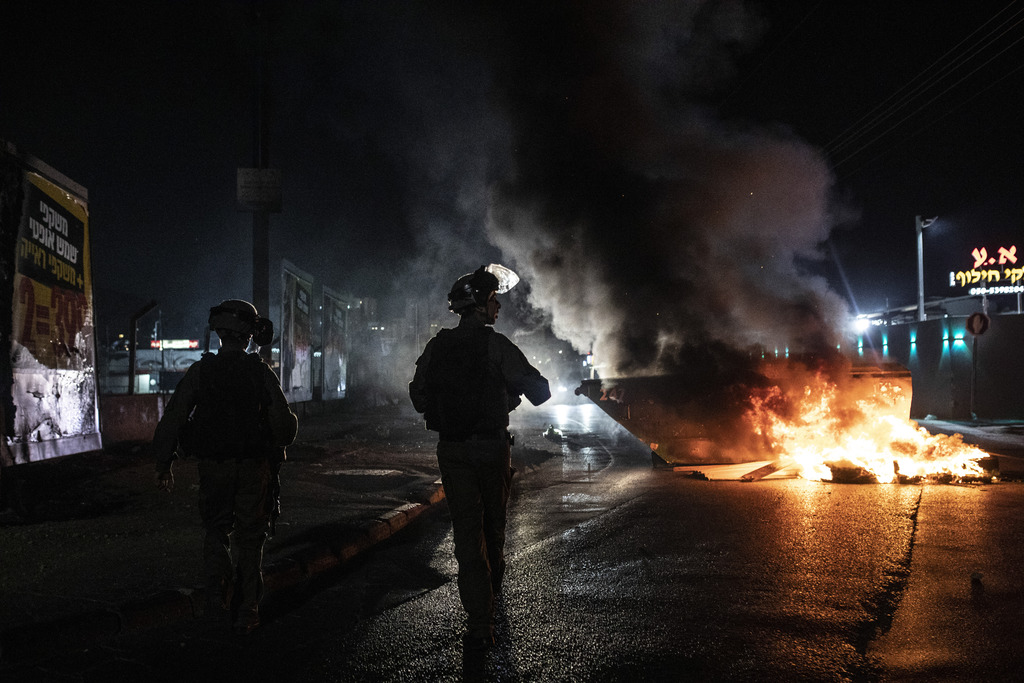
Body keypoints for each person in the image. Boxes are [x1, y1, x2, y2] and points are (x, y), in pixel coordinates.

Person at [409, 264, 551, 650]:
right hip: (491, 448)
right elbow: (540, 390)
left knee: (467, 535)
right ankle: (492, 601)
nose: (499, 307)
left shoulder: (437, 346)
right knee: (493, 528)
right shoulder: (495, 345)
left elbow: (419, 397)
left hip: (452, 450)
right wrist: (506, 396)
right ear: (480, 305)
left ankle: (479, 621)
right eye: (494, 300)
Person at [152, 299, 297, 634]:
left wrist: (164, 463)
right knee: (250, 539)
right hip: (252, 468)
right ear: (248, 335)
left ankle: (217, 601)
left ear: (218, 332)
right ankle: (248, 610)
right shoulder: (260, 373)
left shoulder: (201, 371)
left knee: (215, 532)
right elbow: (285, 432)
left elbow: (173, 418)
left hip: (213, 468)